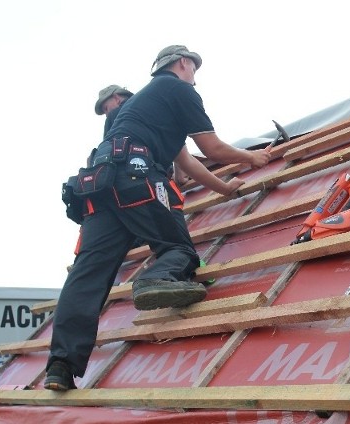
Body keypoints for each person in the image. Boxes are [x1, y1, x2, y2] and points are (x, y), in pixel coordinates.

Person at [44, 45, 272, 391]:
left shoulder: (143, 107)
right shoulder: (178, 90)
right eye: (193, 68)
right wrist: (252, 159)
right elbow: (212, 149)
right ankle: (156, 279)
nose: (194, 76)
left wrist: (225, 190)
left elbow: (188, 163)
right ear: (183, 63)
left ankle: (61, 366)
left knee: (88, 274)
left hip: (99, 186)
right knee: (179, 251)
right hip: (137, 180)